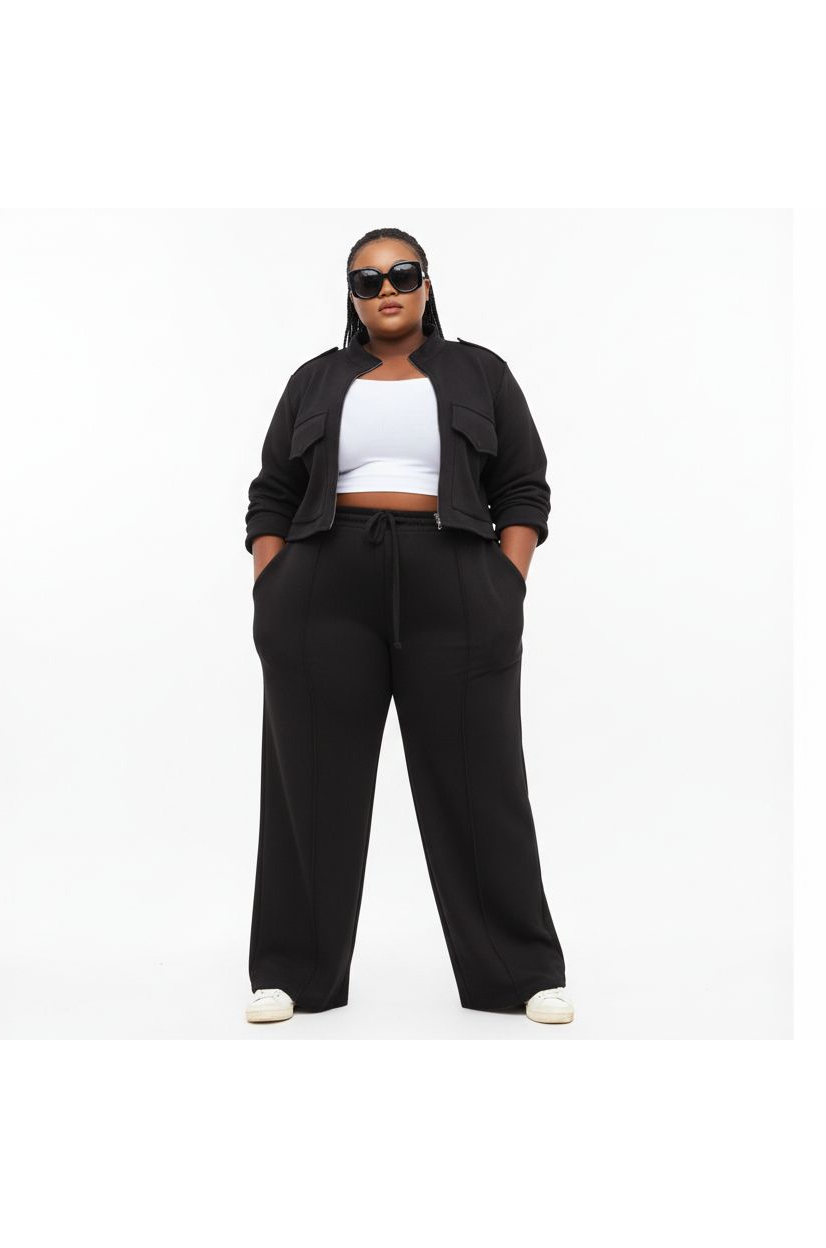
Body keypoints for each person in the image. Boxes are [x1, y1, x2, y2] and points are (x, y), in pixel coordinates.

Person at [243, 227, 572, 1025]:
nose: (386, 288)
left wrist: (506, 581)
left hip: (455, 577)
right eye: (367, 279)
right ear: (352, 296)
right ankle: (293, 974)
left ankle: (517, 974)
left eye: (401, 273)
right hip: (323, 584)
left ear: (426, 284)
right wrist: (272, 584)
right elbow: (272, 493)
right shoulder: (315, 380)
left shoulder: (481, 372)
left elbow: (523, 486)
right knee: (310, 783)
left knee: (481, 781)